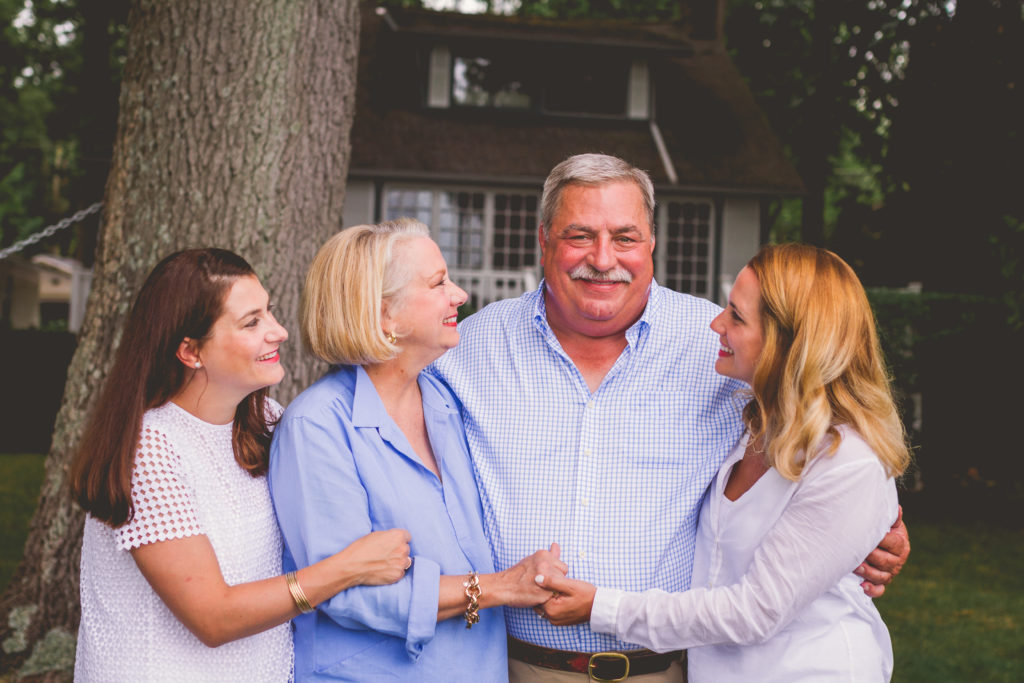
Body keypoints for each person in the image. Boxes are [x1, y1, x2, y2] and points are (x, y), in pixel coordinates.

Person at [430, 154, 911, 682]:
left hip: (669, 669)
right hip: (517, 666)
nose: (603, 257)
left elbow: (824, 432)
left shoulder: (719, 350)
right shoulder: (467, 349)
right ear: (543, 240)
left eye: (626, 237)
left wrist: (877, 524)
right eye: (579, 235)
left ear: (652, 242)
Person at [539, 243, 910, 681]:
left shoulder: (847, 461)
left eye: (736, 315)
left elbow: (754, 611)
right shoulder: (753, 423)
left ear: (788, 341)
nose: (716, 323)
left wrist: (602, 608)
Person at [71, 248, 412, 683]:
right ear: (190, 351)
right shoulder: (149, 449)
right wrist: (350, 567)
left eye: (269, 313)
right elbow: (213, 617)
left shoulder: (268, 421)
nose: (279, 332)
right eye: (252, 323)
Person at [268, 219, 565, 682]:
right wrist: (499, 588)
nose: (460, 294)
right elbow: (344, 593)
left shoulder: (446, 403)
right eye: (438, 282)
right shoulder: (317, 425)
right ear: (385, 314)